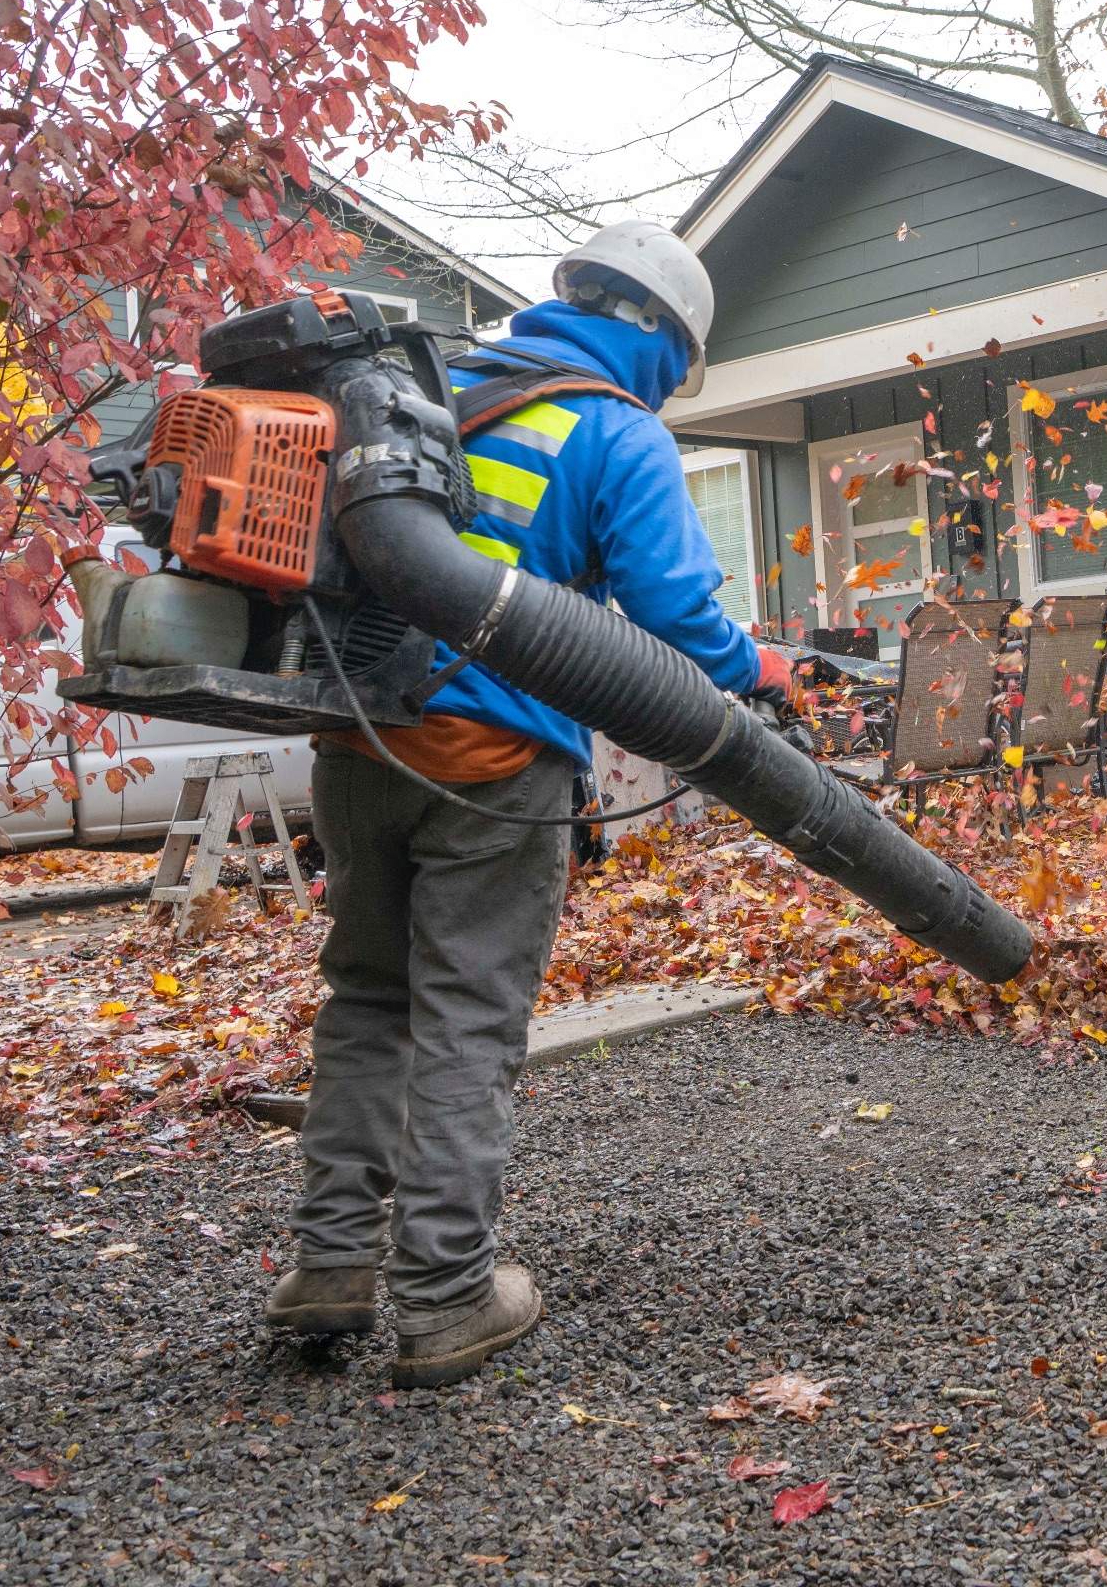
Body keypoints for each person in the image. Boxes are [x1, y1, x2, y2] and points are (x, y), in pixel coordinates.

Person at [262, 221, 795, 1387]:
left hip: (357, 745)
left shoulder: (431, 385)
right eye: (681, 362)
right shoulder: (611, 425)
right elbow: (676, 618)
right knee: (466, 1016)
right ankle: (449, 1294)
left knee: (367, 998)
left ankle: (330, 1260)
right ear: (655, 332)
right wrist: (760, 668)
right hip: (494, 764)